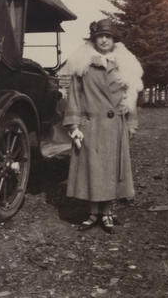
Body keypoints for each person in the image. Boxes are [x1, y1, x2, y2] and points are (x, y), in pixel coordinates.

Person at [63, 19, 143, 234]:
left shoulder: (125, 66)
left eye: (108, 36)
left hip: (115, 126)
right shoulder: (83, 64)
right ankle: (92, 213)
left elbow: (130, 99)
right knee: (92, 170)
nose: (104, 39)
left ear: (114, 39)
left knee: (111, 171)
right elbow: (75, 97)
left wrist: (131, 125)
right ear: (94, 39)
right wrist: (74, 126)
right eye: (100, 36)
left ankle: (107, 212)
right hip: (91, 125)